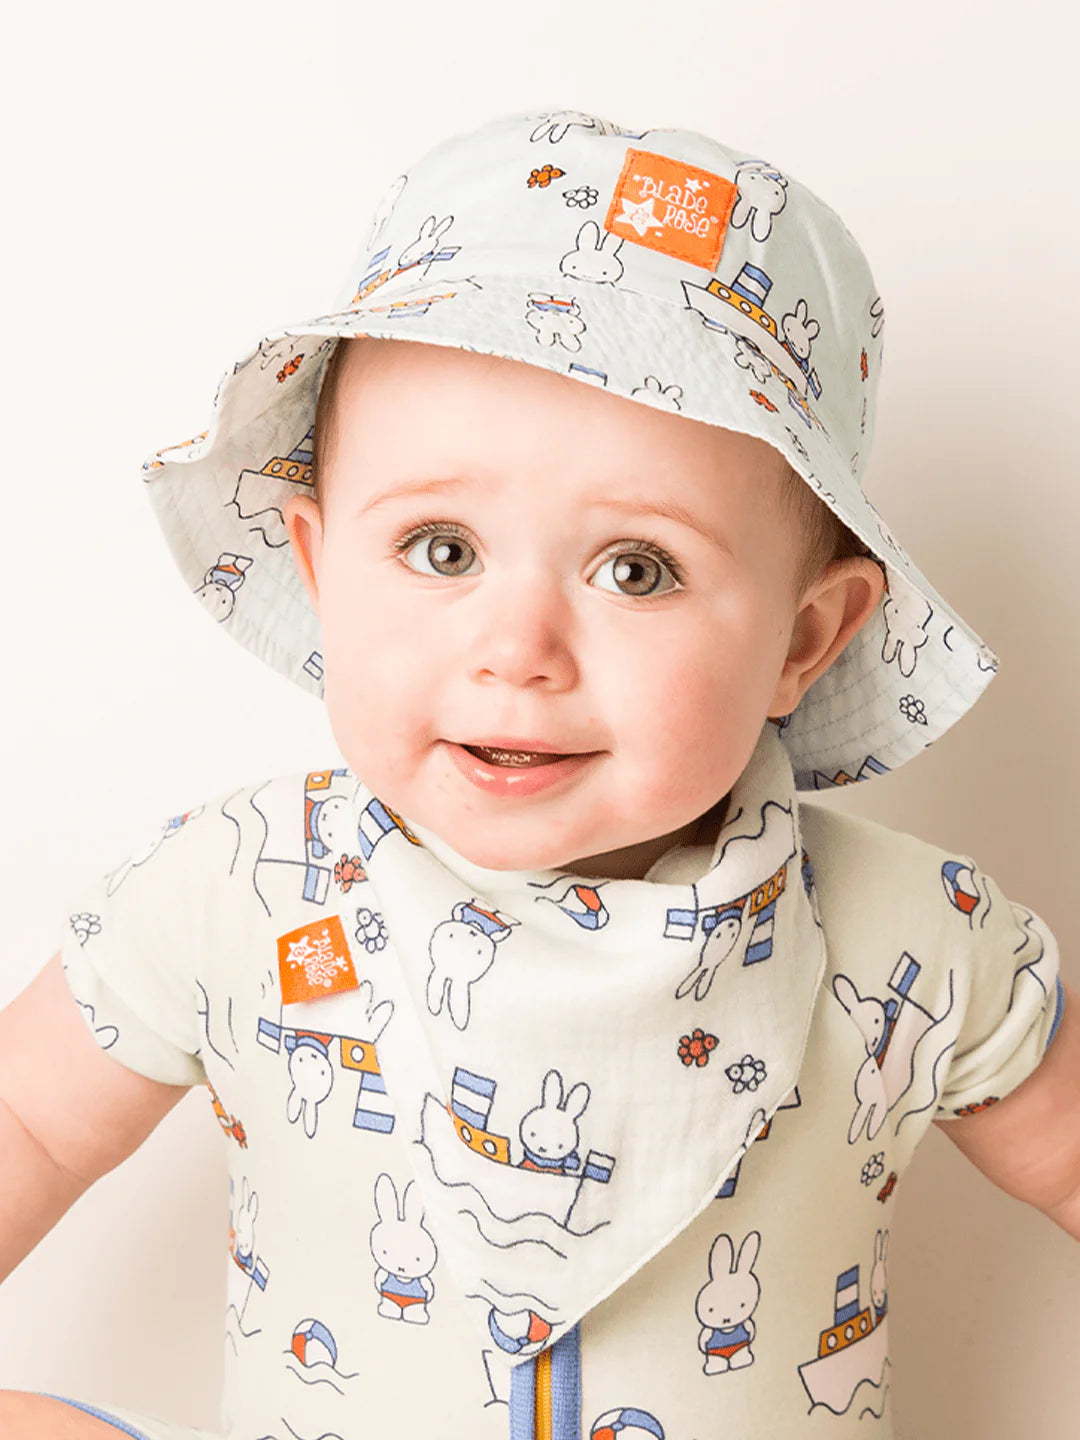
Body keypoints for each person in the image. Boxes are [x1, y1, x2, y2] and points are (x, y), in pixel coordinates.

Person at [0, 106, 1075, 1440]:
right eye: (443, 549)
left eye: (637, 569)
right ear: (323, 568)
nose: (517, 651)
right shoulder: (240, 893)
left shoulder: (915, 938)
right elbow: (28, 1122)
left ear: (805, 640)